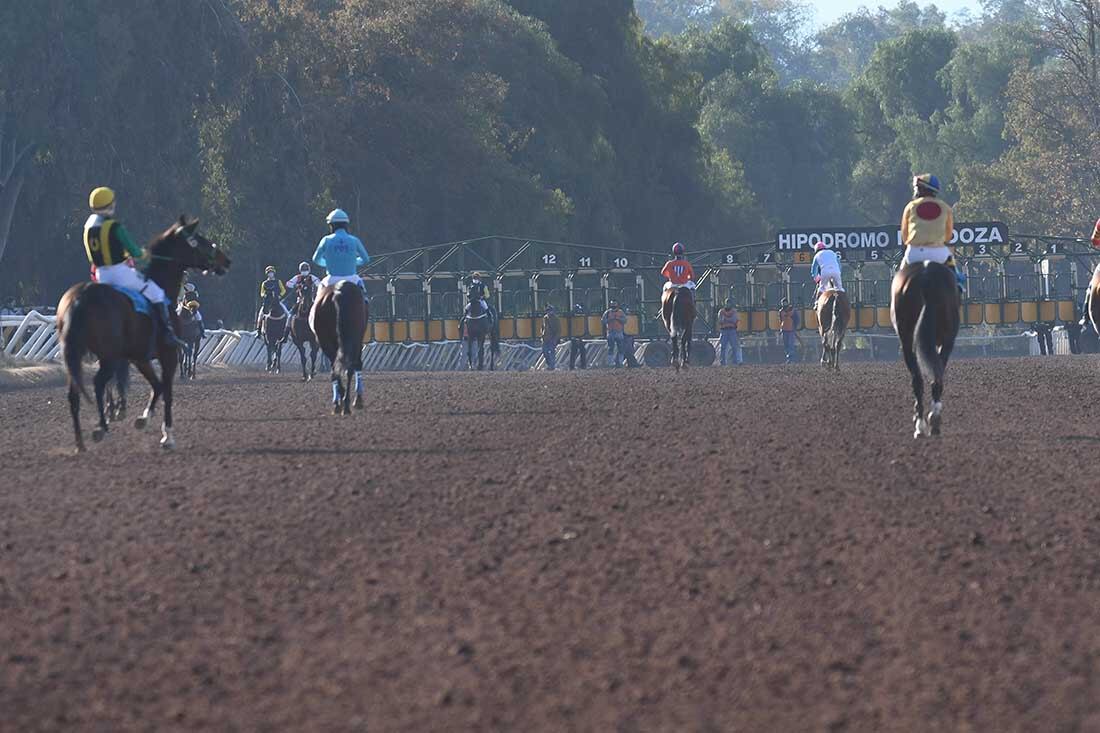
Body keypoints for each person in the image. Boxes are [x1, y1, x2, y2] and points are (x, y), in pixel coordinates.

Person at [82, 186, 180, 348]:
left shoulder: (88, 225)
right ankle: (166, 333)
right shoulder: (114, 226)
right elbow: (133, 250)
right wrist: (144, 254)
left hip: (100, 275)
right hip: (119, 273)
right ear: (110, 204)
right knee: (156, 292)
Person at [900, 174, 965, 291]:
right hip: (938, 254)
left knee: (899, 279)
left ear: (921, 189)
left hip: (914, 254)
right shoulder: (945, 208)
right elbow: (948, 236)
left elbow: (905, 236)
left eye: (916, 188)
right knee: (955, 274)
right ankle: (959, 286)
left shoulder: (910, 207)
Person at [312, 209, 370, 293]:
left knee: (318, 297)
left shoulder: (326, 240)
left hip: (331, 280)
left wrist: (329, 263)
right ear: (346, 225)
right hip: (352, 279)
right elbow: (366, 259)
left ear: (331, 225)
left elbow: (316, 259)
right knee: (364, 298)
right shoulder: (354, 240)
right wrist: (353, 261)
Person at [256, 265, 290, 334]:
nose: (270, 274)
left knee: (287, 313)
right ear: (267, 274)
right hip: (267, 302)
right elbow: (262, 292)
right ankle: (258, 331)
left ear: (274, 273)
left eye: (271, 272)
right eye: (269, 273)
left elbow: (283, 290)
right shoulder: (264, 283)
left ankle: (288, 329)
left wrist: (280, 296)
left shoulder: (278, 281)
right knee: (260, 315)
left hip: (277, 301)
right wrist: (264, 295)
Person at [810, 240, 844, 307]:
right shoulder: (832, 252)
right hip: (836, 272)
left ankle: (816, 303)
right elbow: (839, 265)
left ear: (816, 250)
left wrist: (816, 279)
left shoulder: (817, 255)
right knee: (839, 289)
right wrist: (838, 273)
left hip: (825, 272)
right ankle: (843, 302)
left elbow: (814, 270)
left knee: (822, 288)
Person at [601, 300, 627, 367]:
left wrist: (618, 319)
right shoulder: (607, 312)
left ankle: (620, 362)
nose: (613, 306)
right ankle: (610, 363)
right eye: (612, 305)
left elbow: (625, 320)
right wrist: (609, 320)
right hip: (610, 332)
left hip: (619, 332)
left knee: (621, 348)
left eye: (615, 304)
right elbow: (603, 321)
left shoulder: (621, 312)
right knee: (611, 348)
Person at [717, 297, 742, 366]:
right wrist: (728, 321)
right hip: (724, 331)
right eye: (727, 303)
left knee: (734, 346)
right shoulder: (721, 311)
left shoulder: (734, 311)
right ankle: (722, 362)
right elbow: (720, 321)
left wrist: (726, 320)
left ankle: (735, 361)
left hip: (732, 330)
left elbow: (735, 320)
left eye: (729, 303)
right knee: (723, 347)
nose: (728, 304)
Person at [778, 298, 800, 363]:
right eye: (783, 303)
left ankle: (791, 359)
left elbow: (797, 320)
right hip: (784, 330)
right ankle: (788, 358)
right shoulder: (781, 311)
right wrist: (781, 329)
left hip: (791, 330)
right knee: (786, 345)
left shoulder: (793, 310)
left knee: (791, 345)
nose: (784, 304)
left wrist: (794, 327)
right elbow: (781, 320)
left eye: (785, 302)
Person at [541, 305, 560, 370]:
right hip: (545, 338)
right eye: (547, 310)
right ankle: (549, 364)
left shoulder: (556, 319)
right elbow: (542, 327)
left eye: (549, 310)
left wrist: (555, 339)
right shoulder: (545, 318)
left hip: (552, 338)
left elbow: (558, 330)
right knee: (545, 352)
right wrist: (542, 335)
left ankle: (552, 366)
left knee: (552, 352)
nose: (548, 312)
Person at [569, 304, 588, 370]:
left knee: (582, 351)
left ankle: (583, 365)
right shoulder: (571, 317)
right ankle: (572, 366)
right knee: (574, 352)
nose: (578, 312)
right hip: (574, 337)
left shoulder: (582, 317)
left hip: (581, 336)